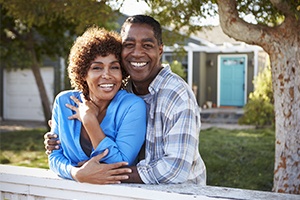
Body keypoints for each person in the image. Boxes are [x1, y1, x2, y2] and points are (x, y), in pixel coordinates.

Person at [45, 15, 206, 185]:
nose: (137, 53)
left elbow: (176, 169)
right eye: (129, 45)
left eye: (147, 45)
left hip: (181, 192)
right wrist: (76, 172)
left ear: (160, 50)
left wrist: (100, 172)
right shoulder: (125, 88)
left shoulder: (176, 95)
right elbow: (55, 155)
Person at [47, 26, 147, 183]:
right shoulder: (64, 102)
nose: (107, 75)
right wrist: (76, 173)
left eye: (114, 67)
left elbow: (120, 165)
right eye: (97, 68)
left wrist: (89, 120)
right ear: (83, 73)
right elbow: (54, 156)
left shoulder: (132, 106)